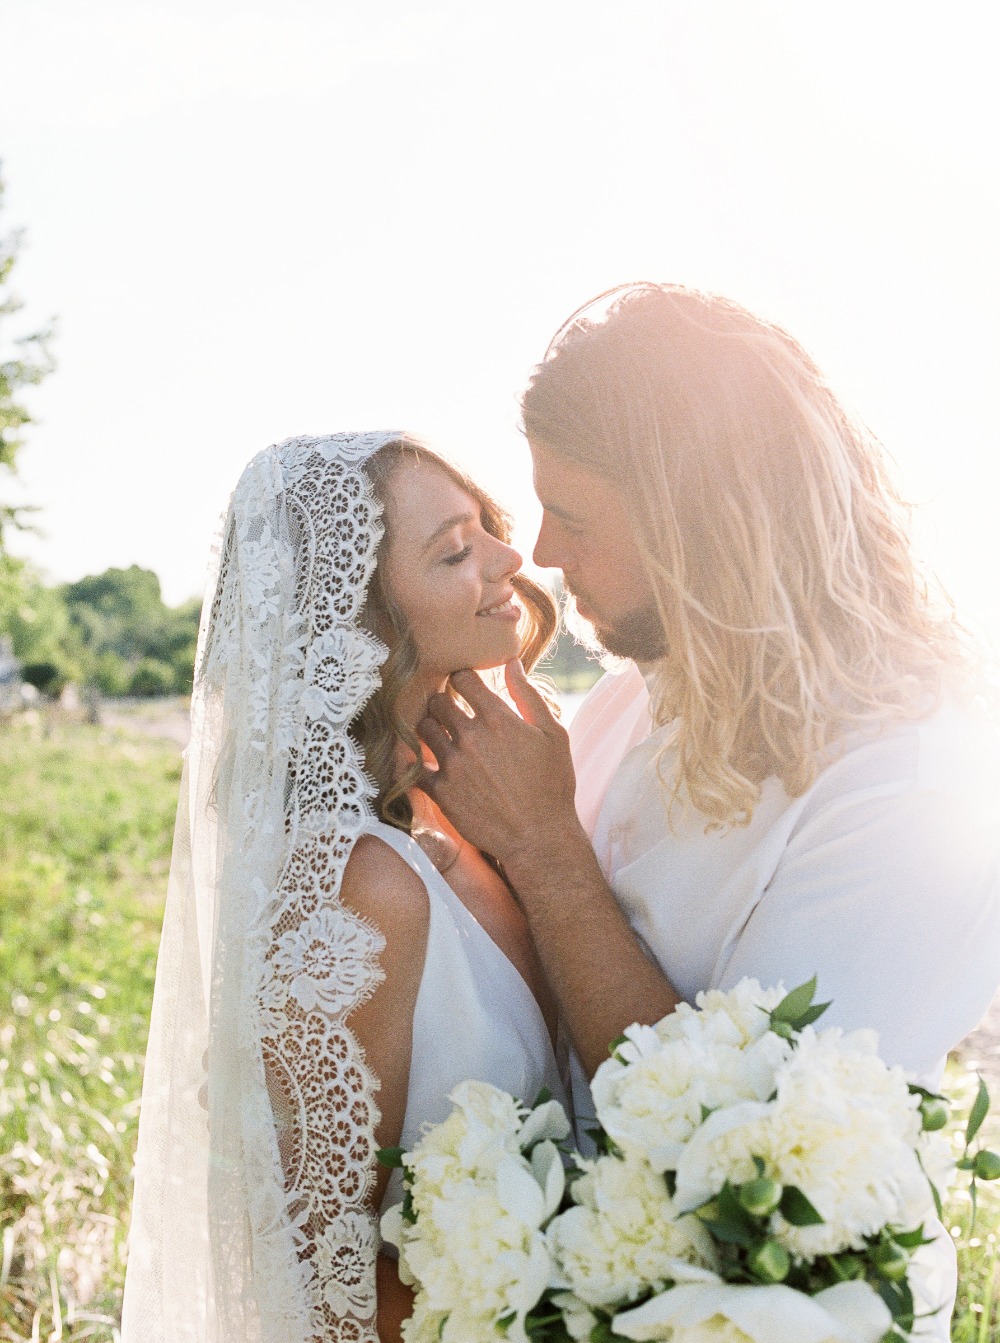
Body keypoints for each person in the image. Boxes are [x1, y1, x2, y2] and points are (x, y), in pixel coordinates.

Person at [416, 284, 1000, 1339]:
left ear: (702, 517)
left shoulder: (912, 783)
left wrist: (546, 848)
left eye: (577, 516)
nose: (543, 550)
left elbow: (746, 1147)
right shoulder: (638, 690)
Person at [120, 432, 566, 1343]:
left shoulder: (464, 813)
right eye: (453, 551)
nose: (510, 559)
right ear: (362, 624)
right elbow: (316, 1281)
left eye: (487, 527)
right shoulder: (355, 891)